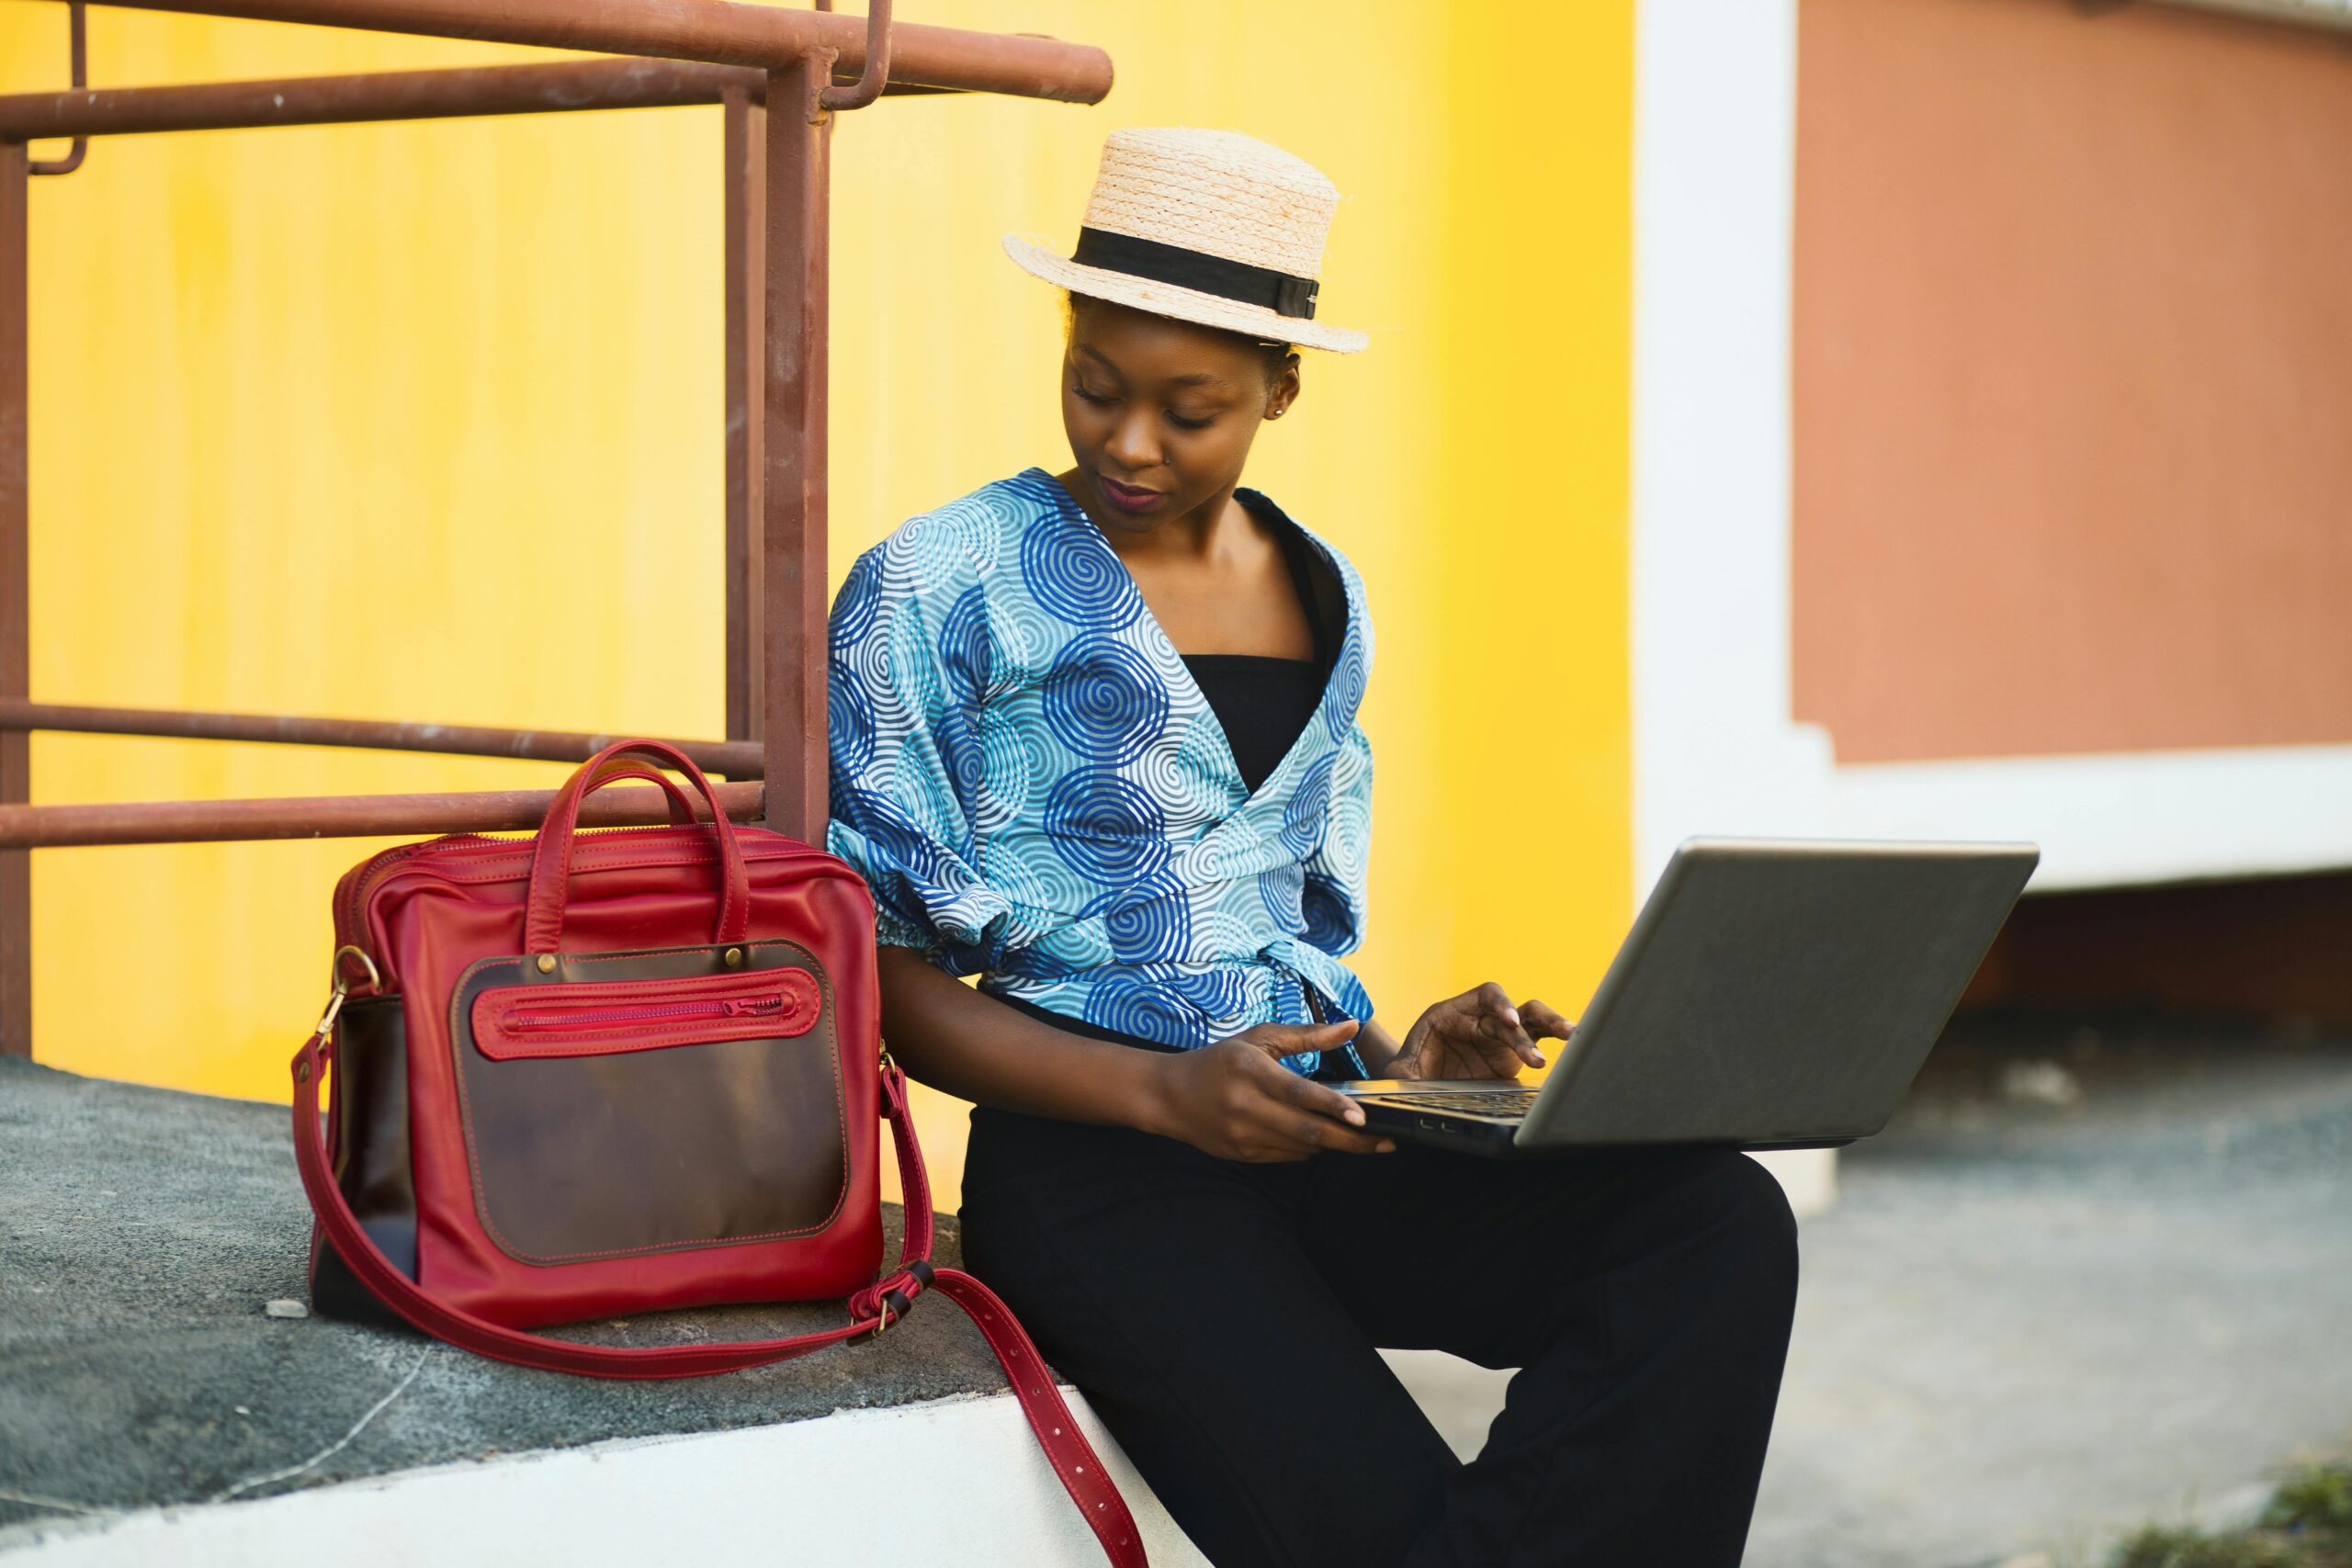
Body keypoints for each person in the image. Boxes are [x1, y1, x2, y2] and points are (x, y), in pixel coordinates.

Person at [825, 126, 1797, 1568]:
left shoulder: (1325, 587)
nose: (1130, 440)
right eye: (1096, 386)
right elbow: (882, 977)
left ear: (1281, 389)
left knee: (1711, 1223)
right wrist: (1167, 1101)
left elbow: (1282, 928)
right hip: (1101, 1176)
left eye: (1191, 407)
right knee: (1393, 1531)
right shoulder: (934, 583)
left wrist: (1416, 1065)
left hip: (1330, 1131)